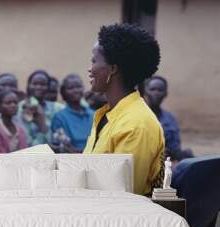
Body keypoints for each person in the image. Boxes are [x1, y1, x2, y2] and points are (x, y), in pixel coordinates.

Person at [83, 23, 164, 196]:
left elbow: (124, 195)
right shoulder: (106, 114)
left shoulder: (137, 125)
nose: (90, 69)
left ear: (113, 69)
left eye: (94, 61)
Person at [17, 70, 64, 146]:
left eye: (42, 84)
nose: (38, 87)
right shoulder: (20, 108)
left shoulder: (58, 109)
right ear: (28, 86)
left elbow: (59, 141)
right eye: (34, 84)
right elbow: (25, 141)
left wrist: (42, 124)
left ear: (48, 87)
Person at [51, 74, 94, 152]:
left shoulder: (93, 114)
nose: (76, 90)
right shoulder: (60, 117)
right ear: (63, 92)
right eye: (71, 88)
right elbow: (64, 146)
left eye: (78, 87)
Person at [143, 76, 184, 157]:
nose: (156, 93)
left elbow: (175, 148)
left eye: (160, 90)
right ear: (146, 92)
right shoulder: (138, 116)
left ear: (166, 94)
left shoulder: (170, 118)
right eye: (152, 89)